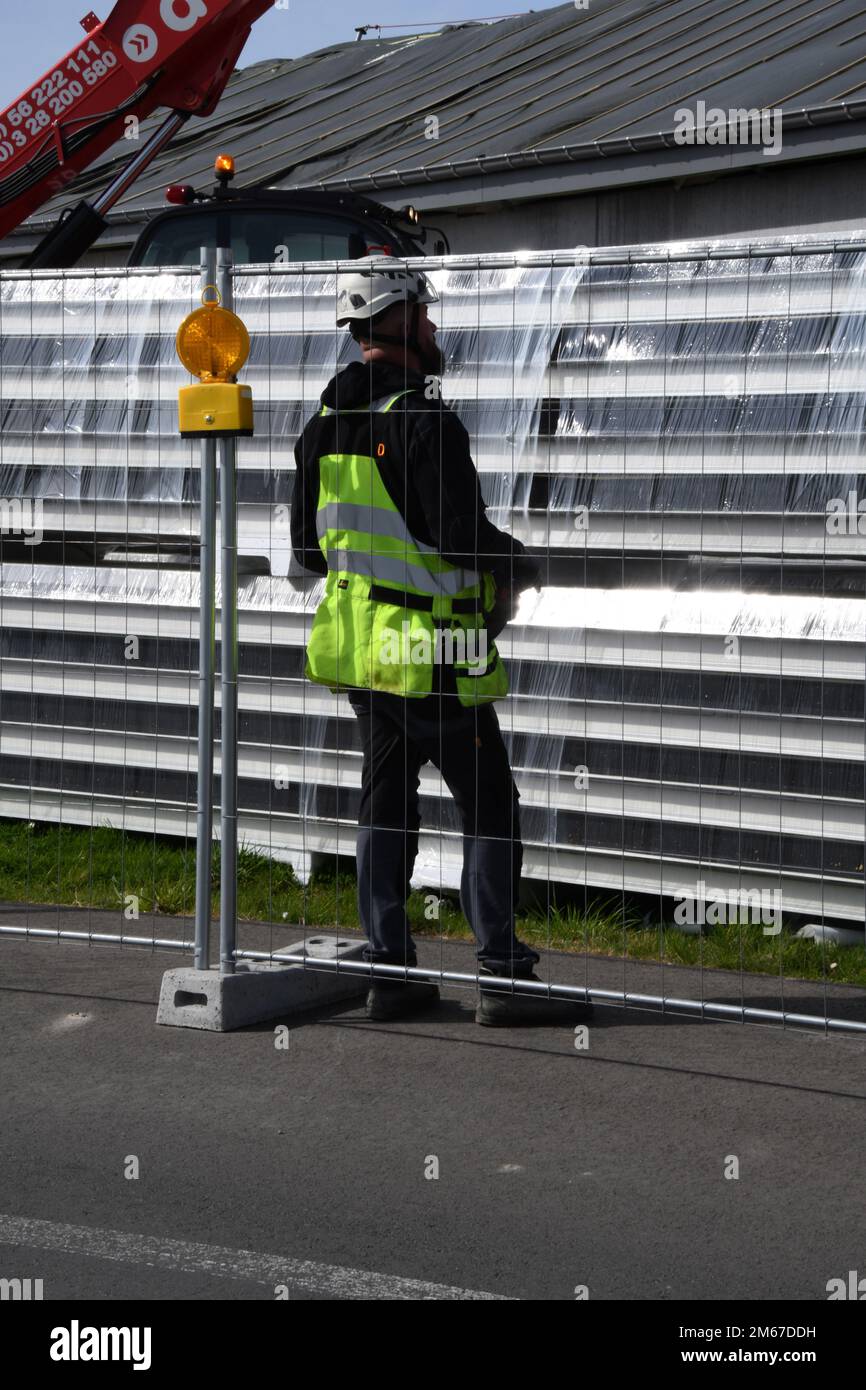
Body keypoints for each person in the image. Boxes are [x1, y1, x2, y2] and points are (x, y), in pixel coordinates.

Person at [291, 255, 592, 1028]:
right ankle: (504, 974)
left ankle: (389, 973)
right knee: (490, 803)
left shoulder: (321, 427)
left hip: (366, 656)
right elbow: (460, 539)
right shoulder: (426, 420)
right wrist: (518, 561)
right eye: (423, 316)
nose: (433, 328)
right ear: (395, 323)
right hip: (438, 654)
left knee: (386, 806)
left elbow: (307, 557)